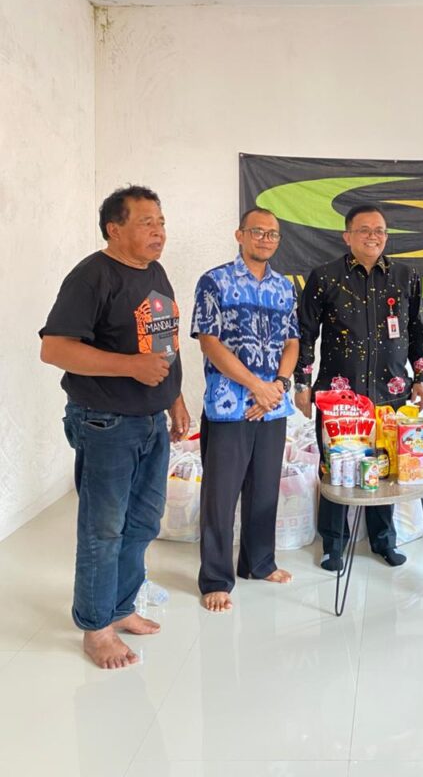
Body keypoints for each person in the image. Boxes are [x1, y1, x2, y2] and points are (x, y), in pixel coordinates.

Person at [39, 185, 190, 669]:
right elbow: (54, 349)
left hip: (152, 421)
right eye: (147, 222)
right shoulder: (91, 277)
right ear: (114, 229)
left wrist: (175, 399)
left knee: (143, 523)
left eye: (161, 222)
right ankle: (96, 627)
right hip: (106, 422)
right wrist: (129, 367)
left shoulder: (155, 273)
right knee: (103, 529)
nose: (159, 231)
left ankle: (121, 607)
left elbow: (163, 346)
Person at [294, 203, 423, 571]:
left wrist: (421, 377)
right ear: (347, 236)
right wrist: (302, 383)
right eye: (365, 230)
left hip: (391, 393)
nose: (373, 236)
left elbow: (418, 330)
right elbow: (305, 333)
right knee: (336, 468)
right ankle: (333, 544)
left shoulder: (405, 276)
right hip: (340, 397)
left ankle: (383, 539)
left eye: (380, 230)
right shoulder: (324, 277)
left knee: (384, 466)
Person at [191, 207, 300, 612]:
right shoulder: (215, 281)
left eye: (273, 234)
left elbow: (292, 341)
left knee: (264, 490)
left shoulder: (284, 287)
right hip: (229, 406)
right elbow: (209, 342)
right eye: (258, 232)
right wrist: (256, 386)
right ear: (240, 235)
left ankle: (259, 562)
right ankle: (216, 579)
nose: (266, 239)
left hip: (273, 406)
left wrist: (278, 386)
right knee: (220, 497)